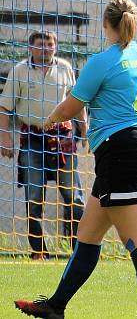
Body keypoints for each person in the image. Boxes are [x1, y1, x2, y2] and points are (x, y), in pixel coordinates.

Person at [13, 0, 137, 319]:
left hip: (121, 152)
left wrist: (49, 118)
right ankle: (55, 306)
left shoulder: (101, 61)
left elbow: (71, 105)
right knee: (88, 234)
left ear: (106, 24)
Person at [0, 30, 87, 260]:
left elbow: (76, 101)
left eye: (50, 44)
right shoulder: (19, 71)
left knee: (74, 197)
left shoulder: (65, 68)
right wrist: (5, 138)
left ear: (55, 47)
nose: (46, 48)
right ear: (31, 48)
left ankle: (79, 250)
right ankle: (39, 252)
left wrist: (85, 129)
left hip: (63, 139)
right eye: (41, 45)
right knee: (34, 196)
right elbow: (4, 107)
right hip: (33, 140)